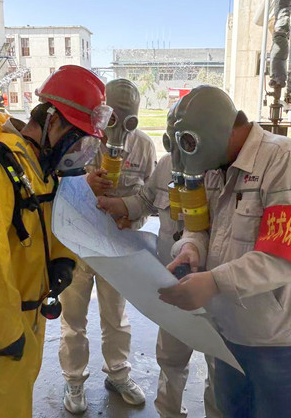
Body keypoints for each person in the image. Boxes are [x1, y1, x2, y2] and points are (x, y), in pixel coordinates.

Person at [0, 65, 112, 418]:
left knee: (18, 402)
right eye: (78, 139)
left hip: (28, 319)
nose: (80, 152)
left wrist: (63, 259)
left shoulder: (39, 171)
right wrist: (5, 334)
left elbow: (50, 221)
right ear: (52, 120)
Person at [158, 85, 291, 418]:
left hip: (279, 342)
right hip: (230, 333)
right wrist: (192, 247)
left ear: (217, 131)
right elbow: (200, 226)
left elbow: (286, 257)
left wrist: (214, 282)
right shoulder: (215, 166)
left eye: (189, 144)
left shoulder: (284, 161)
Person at [97, 104, 221, 418]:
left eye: (188, 143)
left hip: (215, 288)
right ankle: (169, 412)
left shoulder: (227, 174)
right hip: (173, 284)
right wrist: (117, 205)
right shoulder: (166, 165)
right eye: (173, 141)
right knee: (170, 359)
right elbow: (146, 200)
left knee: (219, 367)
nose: (179, 153)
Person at [58, 79, 156, 414]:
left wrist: (132, 216)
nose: (119, 130)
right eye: (112, 120)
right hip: (78, 246)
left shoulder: (143, 147)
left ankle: (118, 373)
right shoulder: (79, 141)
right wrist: (84, 184)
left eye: (128, 122)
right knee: (73, 318)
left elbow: (150, 197)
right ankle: (74, 379)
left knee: (115, 316)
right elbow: (54, 191)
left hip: (116, 247)